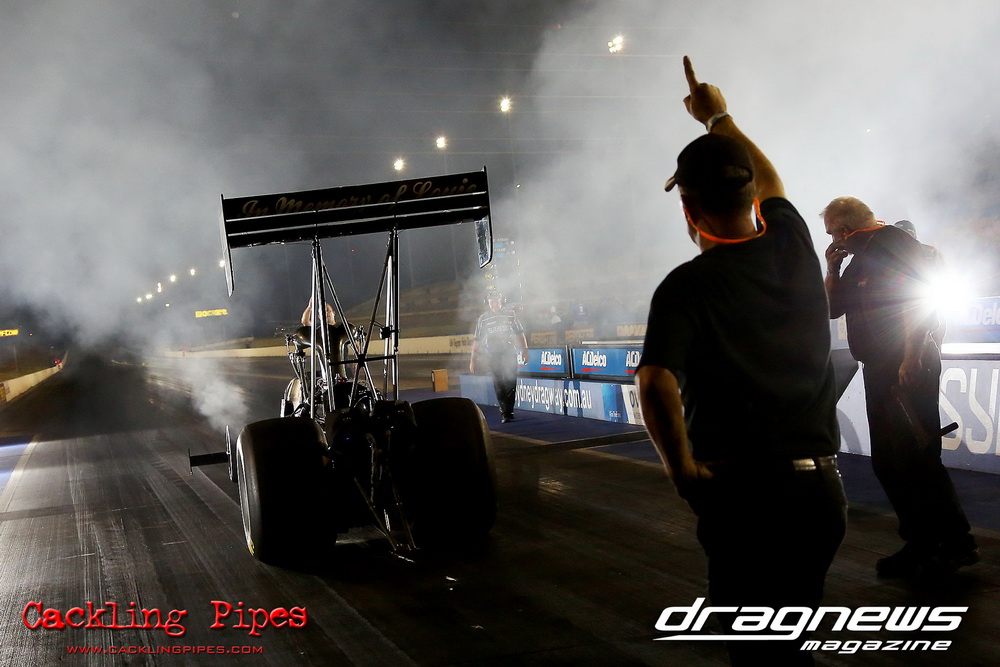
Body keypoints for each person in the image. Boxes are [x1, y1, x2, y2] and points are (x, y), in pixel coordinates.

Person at [635, 57, 846, 665]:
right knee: (792, 647)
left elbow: (655, 380)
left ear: (688, 209)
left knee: (758, 654)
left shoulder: (686, 286)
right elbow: (772, 179)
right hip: (819, 495)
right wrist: (718, 117)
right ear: (752, 197)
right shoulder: (795, 246)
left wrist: (682, 472)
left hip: (746, 498)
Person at [823, 198, 977, 577]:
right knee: (890, 461)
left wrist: (911, 355)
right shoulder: (860, 258)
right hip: (880, 367)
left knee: (916, 456)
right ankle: (924, 540)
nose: (831, 240)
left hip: (907, 365)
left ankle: (952, 542)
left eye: (831, 234)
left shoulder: (892, 243)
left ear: (844, 229)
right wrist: (832, 268)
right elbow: (832, 308)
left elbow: (916, 300)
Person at [470, 291, 527, 423]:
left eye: (496, 301)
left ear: (501, 301)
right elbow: (477, 340)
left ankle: (509, 410)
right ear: (488, 303)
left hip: (509, 352)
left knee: (511, 381)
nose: (494, 304)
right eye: (491, 302)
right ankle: (505, 411)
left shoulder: (510, 314)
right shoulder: (483, 319)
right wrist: (472, 360)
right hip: (493, 355)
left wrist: (525, 350)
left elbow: (520, 333)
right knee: (498, 382)